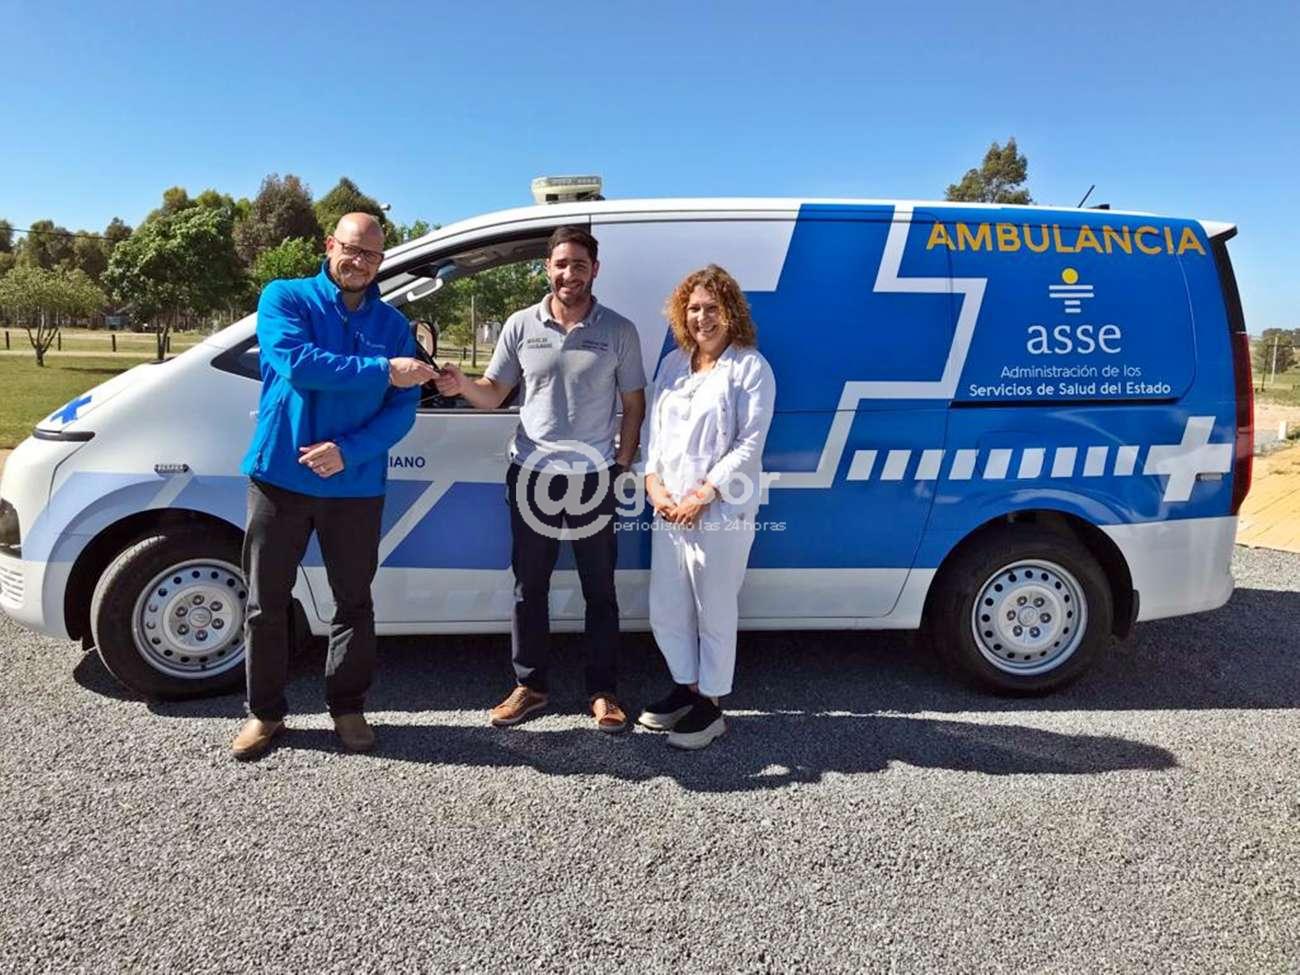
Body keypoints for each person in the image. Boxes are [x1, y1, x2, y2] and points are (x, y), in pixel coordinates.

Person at [230, 213, 436, 761]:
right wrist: (383, 370)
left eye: (371, 255)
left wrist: (348, 451)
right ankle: (265, 713)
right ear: (329, 245)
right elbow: (299, 364)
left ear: (381, 261)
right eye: (351, 249)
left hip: (355, 483)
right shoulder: (285, 297)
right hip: (280, 475)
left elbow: (402, 410)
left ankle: (347, 708)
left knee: (354, 602)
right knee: (266, 602)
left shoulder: (393, 324)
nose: (359, 262)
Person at [434, 226, 646, 732]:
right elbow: (493, 392)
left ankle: (603, 692)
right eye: (561, 263)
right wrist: (462, 384)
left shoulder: (619, 330)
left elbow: (634, 404)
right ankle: (530, 686)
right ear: (546, 268)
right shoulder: (520, 325)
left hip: (593, 477)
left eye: (580, 264)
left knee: (600, 589)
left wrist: (620, 463)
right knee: (530, 586)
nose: (569, 273)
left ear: (595, 270)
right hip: (531, 475)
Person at [638, 265, 776, 749]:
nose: (702, 317)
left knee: (712, 608)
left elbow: (749, 443)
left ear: (731, 311)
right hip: (669, 509)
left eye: (712, 308)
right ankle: (686, 686)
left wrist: (704, 494)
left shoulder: (750, 368)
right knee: (667, 605)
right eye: (694, 308)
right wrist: (652, 482)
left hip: (718, 512)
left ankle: (711, 705)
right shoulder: (673, 364)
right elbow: (652, 431)